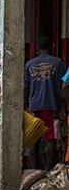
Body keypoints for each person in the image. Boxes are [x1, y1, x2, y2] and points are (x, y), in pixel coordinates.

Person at [25, 36, 67, 170]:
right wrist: (62, 107)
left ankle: (34, 169)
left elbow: (25, 87)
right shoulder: (58, 62)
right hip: (52, 106)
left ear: (37, 48)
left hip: (34, 106)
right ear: (51, 47)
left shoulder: (29, 64)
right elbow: (62, 87)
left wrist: (26, 105)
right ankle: (48, 170)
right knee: (51, 138)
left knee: (34, 138)